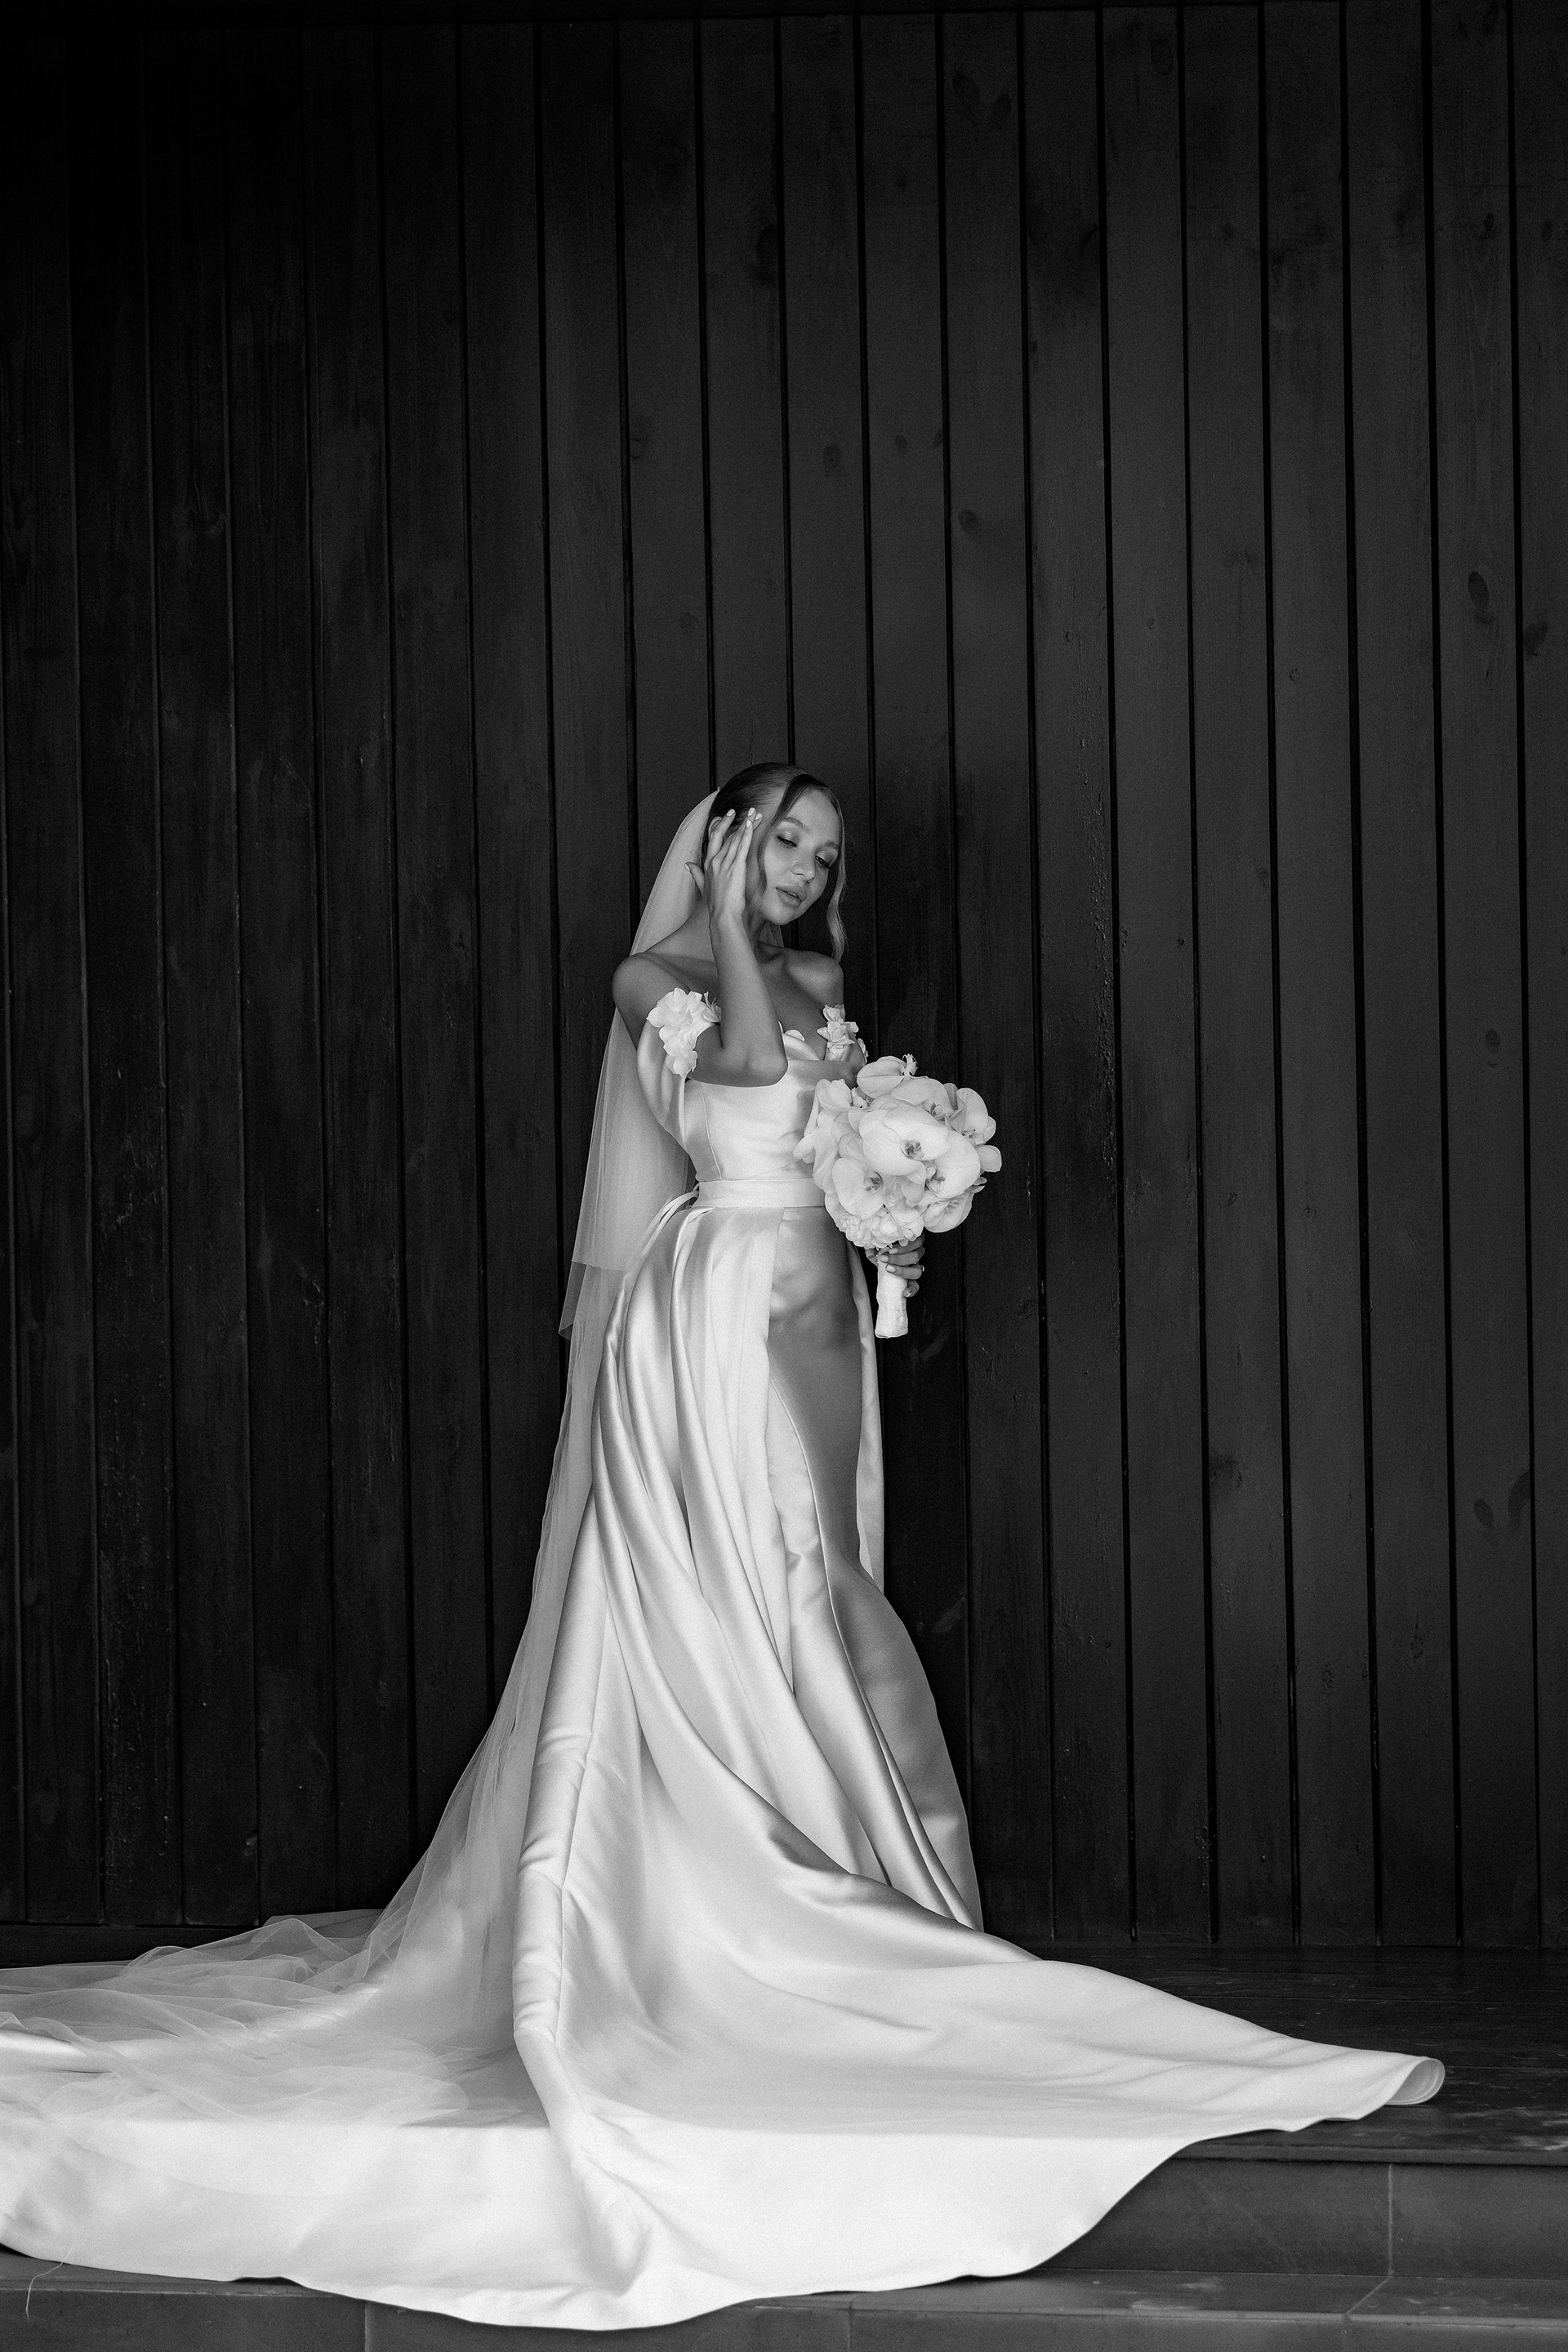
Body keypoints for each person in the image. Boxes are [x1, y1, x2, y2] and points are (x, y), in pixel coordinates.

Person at [0, 768, 1440, 2331]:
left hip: (817, 1297)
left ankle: (856, 1857)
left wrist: (899, 1179)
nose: (807, 872)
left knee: (823, 1567)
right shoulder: (655, 977)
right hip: (710, 1302)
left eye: (824, 854)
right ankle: (742, 1880)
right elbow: (744, 1069)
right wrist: (736, 930)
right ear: (727, 842)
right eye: (782, 842)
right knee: (734, 1571)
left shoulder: (821, 968)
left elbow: (824, 1118)